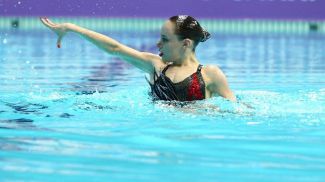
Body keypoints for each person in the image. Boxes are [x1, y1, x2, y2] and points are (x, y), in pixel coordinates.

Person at [40, 15, 236, 102]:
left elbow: (234, 111)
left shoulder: (210, 74)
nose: (158, 44)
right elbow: (114, 48)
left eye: (165, 40)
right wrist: (73, 28)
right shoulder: (156, 66)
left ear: (185, 43)